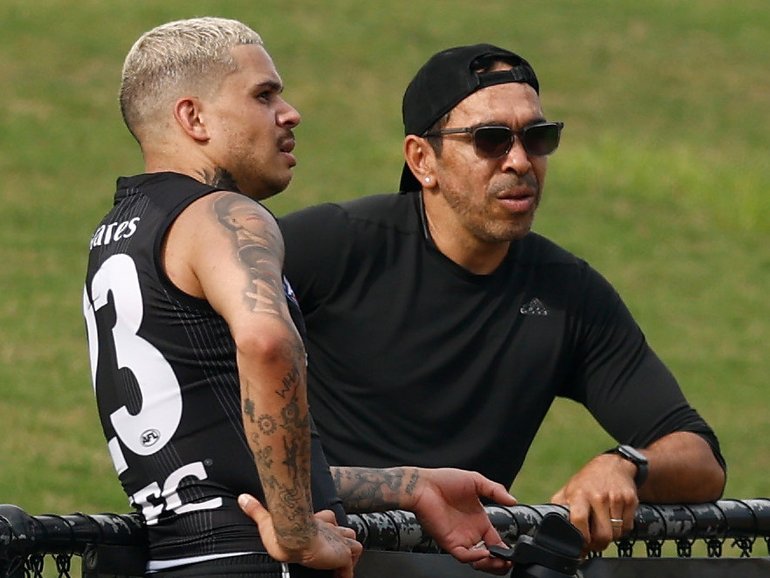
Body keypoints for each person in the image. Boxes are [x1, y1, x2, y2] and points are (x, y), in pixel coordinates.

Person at [83, 21, 516, 577]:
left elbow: (220, 456)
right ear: (194, 118)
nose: (290, 113)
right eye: (264, 95)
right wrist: (297, 532)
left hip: (182, 561)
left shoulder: (121, 230)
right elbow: (267, 343)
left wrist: (409, 485)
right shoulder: (225, 214)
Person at [278, 43, 728, 552]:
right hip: (320, 555)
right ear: (423, 159)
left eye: (537, 138)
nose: (519, 161)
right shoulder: (331, 247)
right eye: (490, 140)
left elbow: (700, 458)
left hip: (463, 564)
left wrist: (626, 464)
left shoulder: (568, 292)